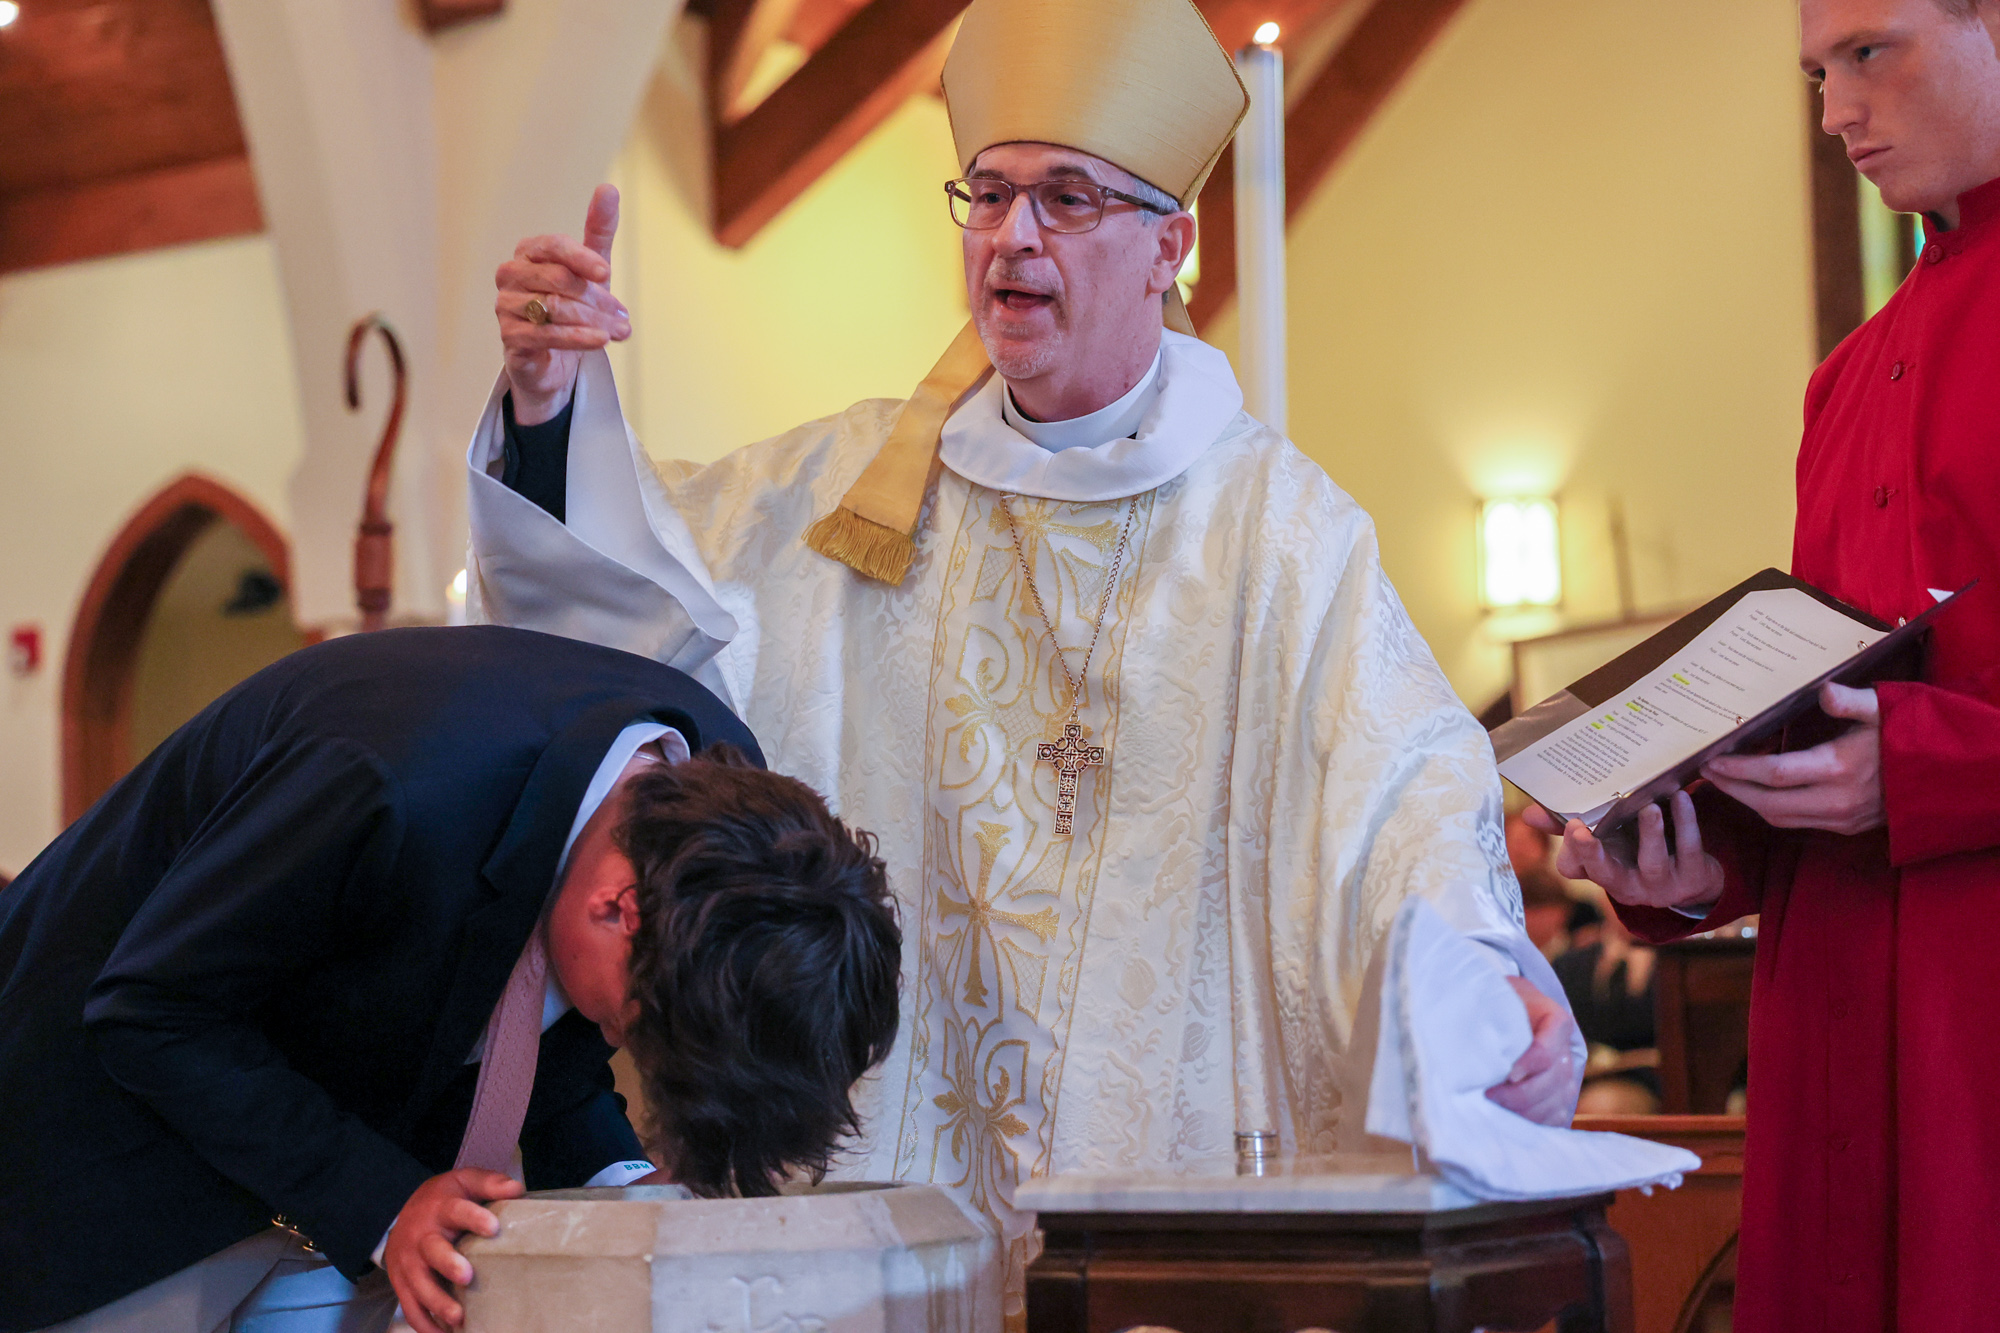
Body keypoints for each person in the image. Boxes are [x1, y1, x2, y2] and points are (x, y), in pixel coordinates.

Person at [466, 0, 1582, 1309]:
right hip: (885, 1204)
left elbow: (1398, 790)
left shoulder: (1276, 532)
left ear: (1168, 245)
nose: (1012, 236)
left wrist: (1476, 979)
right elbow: (624, 633)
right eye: (989, 194)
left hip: (1158, 1204)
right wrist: (548, 408)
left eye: (1065, 199)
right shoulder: (836, 494)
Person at [0, 625, 901, 1333]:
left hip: (322, 1175)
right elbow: (151, 1006)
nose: (615, 1039)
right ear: (619, 906)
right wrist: (383, 1203)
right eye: (636, 1026)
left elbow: (521, 1005)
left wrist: (621, 1183)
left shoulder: (709, 796)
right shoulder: (386, 781)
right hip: (104, 1165)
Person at [1526, 0, 2000, 1326]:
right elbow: (1818, 721)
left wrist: (1924, 769)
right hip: (1831, 1014)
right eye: (1815, 73)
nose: (1836, 110)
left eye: (1869, 52)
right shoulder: (1841, 385)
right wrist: (1693, 859)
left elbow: (1901, 750)